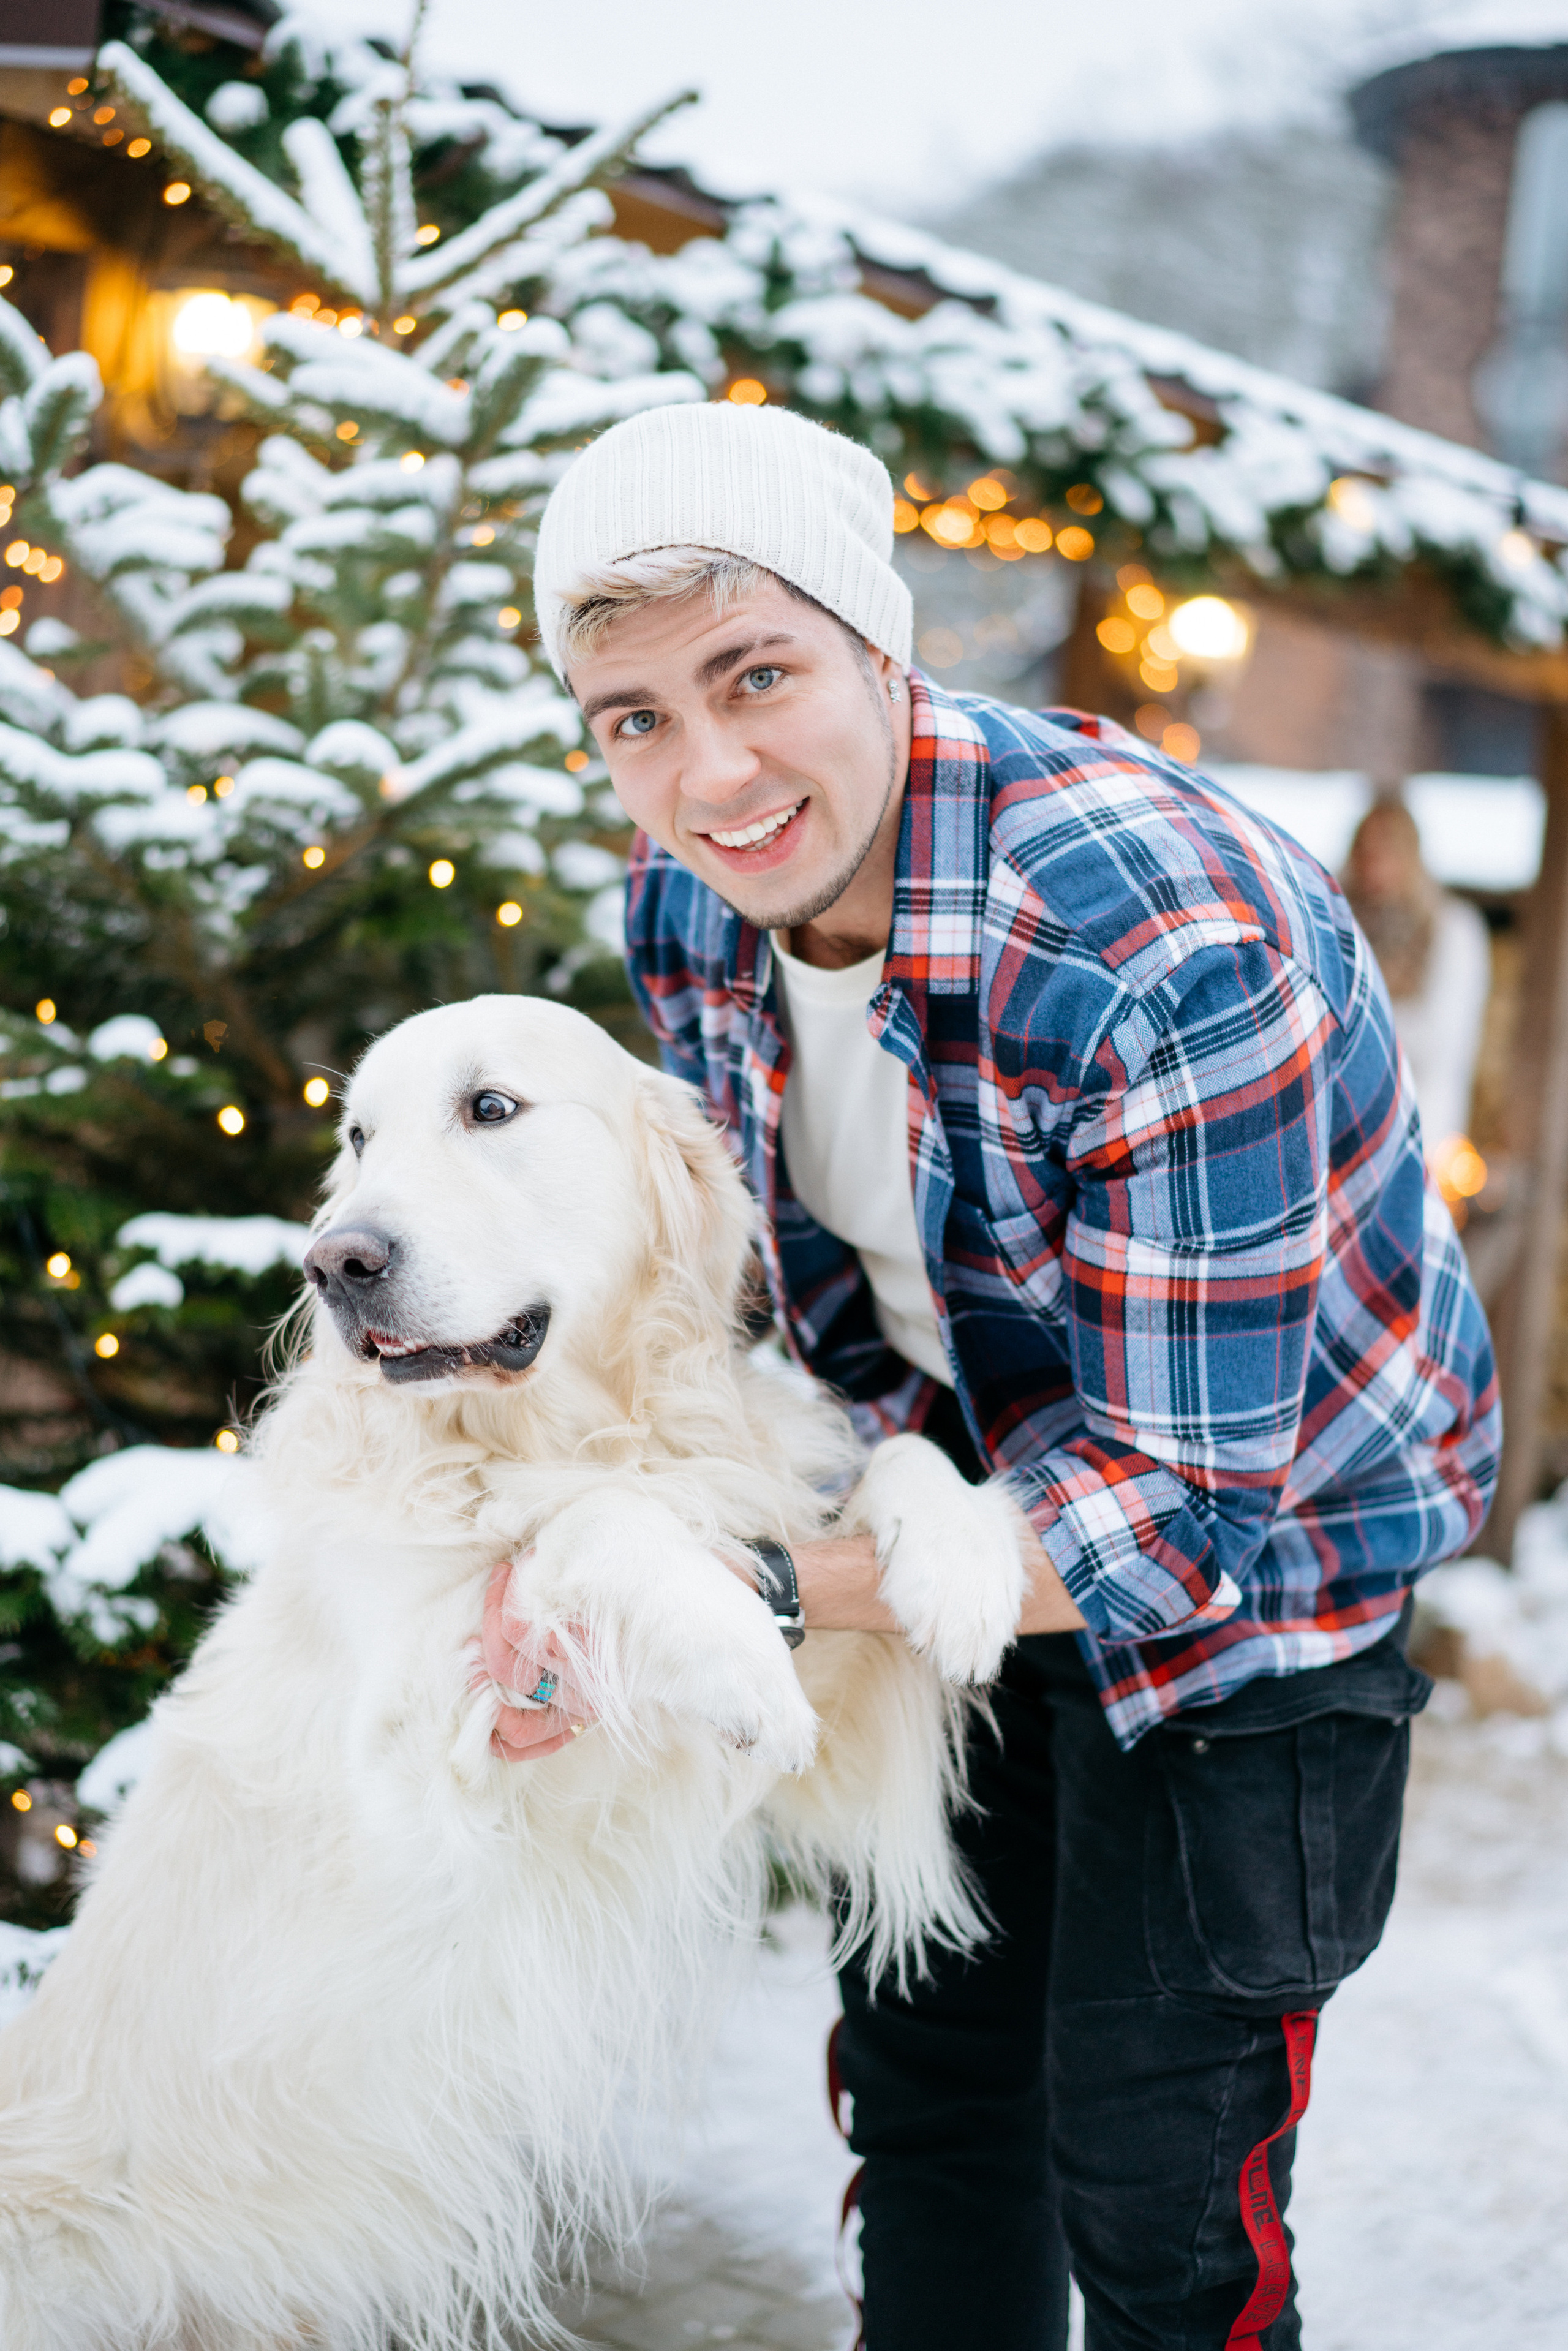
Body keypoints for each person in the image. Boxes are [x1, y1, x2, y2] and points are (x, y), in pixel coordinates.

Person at [484, 401, 1501, 2351]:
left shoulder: (1154, 939)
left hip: (1248, 1593)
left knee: (1156, 2177)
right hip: (946, 1516)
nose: (707, 771)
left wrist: (749, 1591)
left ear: (881, 643)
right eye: (632, 716)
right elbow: (762, 1293)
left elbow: (1179, 1518)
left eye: (754, 674)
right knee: (934, 2101)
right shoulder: (698, 896)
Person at [1341, 793, 1491, 1160]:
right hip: (1344, 1119)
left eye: (1386, 848)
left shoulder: (1452, 929)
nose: (1373, 861)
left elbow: (1443, 1039)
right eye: (1366, 847)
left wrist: (1352, 1023)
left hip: (1420, 1124)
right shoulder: (1341, 921)